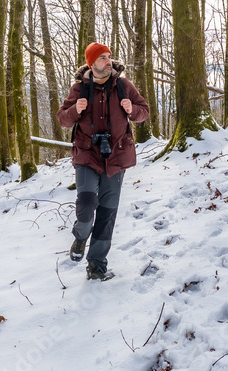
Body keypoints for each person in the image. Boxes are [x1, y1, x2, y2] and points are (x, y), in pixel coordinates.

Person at [57, 43, 150, 280]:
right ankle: (80, 236)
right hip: (87, 156)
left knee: (107, 214)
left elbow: (144, 111)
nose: (108, 61)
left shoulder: (123, 85)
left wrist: (132, 109)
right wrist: (75, 110)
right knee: (87, 202)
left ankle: (97, 267)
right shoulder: (79, 88)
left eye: (109, 57)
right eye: (102, 58)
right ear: (91, 64)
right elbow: (63, 119)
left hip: (116, 156)